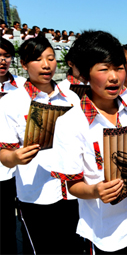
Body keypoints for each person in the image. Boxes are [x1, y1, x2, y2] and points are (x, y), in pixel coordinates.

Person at [50, 30, 127, 254]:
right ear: (85, 74)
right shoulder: (71, 123)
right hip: (107, 235)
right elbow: (73, 185)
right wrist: (96, 191)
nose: (114, 77)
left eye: (119, 67)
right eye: (104, 68)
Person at [0, 36, 82, 254]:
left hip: (73, 189)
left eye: (51, 58)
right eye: (37, 59)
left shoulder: (72, 98)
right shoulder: (11, 102)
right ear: (25, 65)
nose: (46, 65)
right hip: (37, 192)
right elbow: (4, 154)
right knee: (41, 247)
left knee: (72, 246)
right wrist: (16, 157)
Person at [0, 36, 26, 255]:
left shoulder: (23, 87)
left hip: (16, 164)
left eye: (6, 56)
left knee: (13, 219)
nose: (2, 60)